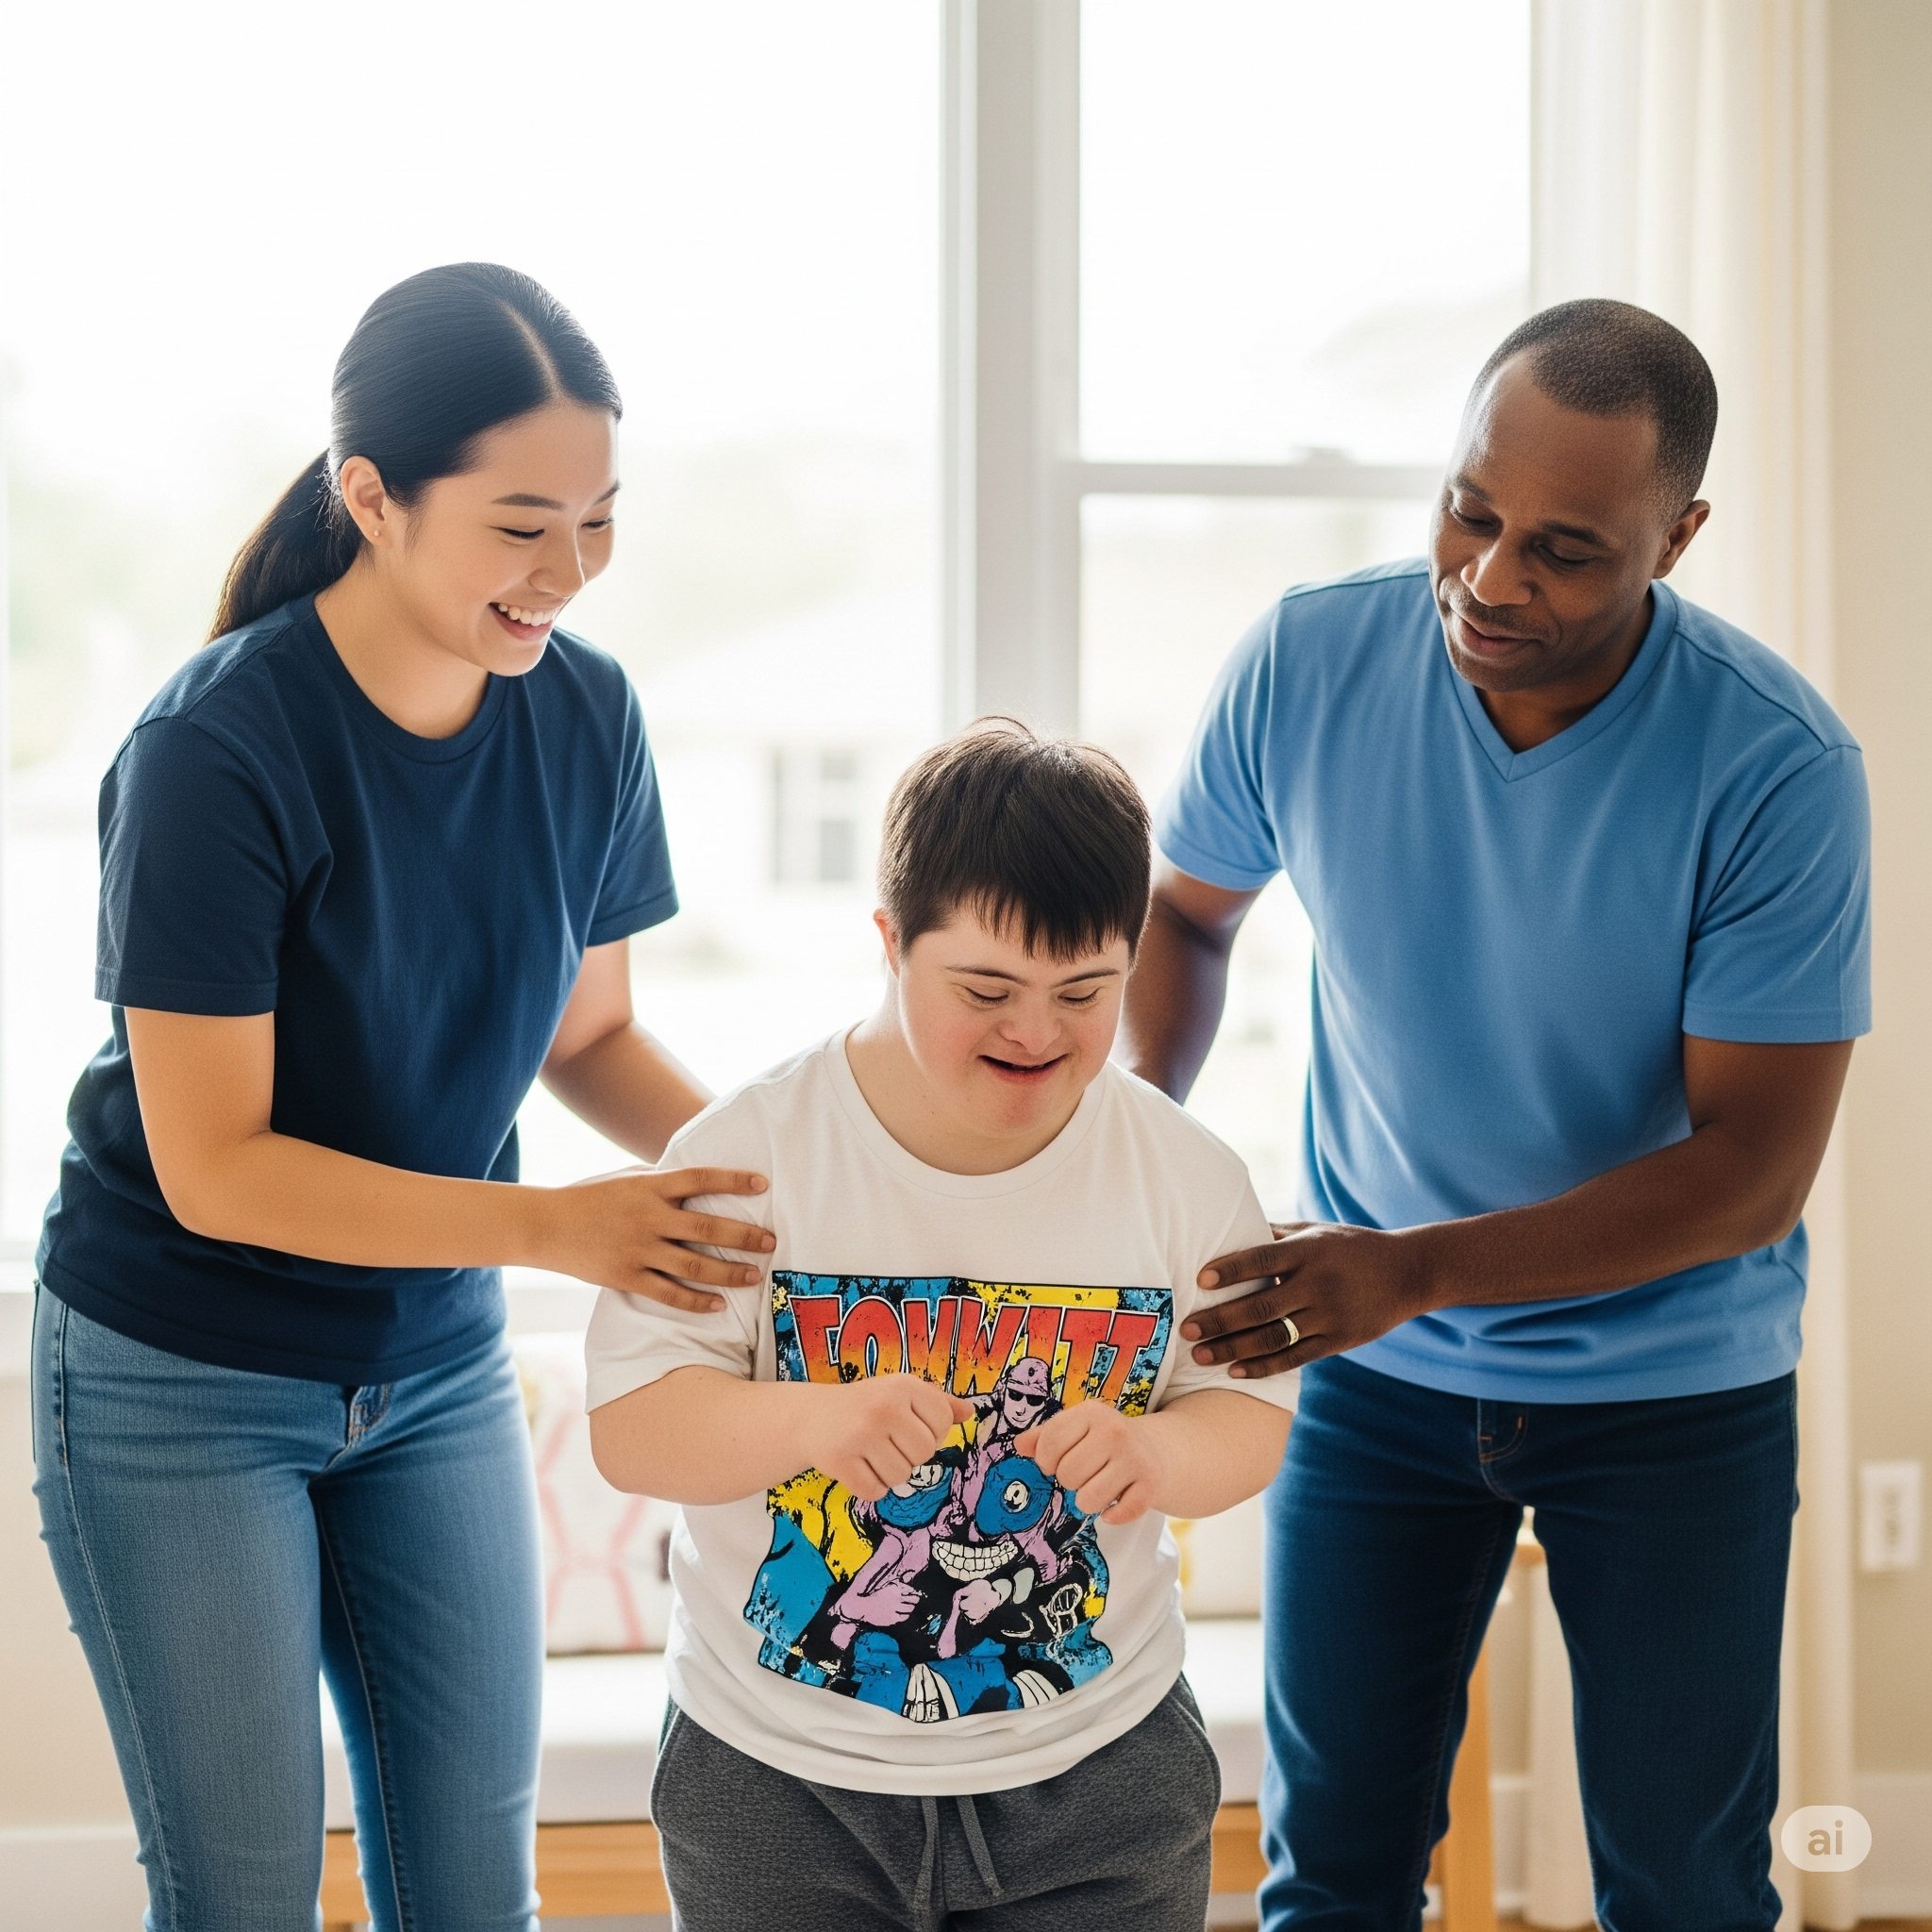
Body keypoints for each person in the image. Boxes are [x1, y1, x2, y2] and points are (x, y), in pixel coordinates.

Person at [30, 263, 773, 1932]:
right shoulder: (215, 750)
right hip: (180, 1372)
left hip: (425, 1368)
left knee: (468, 1888)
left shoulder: (586, 715)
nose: (567, 571)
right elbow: (217, 1164)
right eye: (521, 524)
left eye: (597, 519)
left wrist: (779, 1179)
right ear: (370, 495)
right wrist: (559, 1232)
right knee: (238, 1892)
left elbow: (591, 1039)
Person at [1120, 298, 1871, 1931]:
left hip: (1673, 1390)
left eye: (1562, 549)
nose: (1488, 576)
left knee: (1680, 1882)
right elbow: (1182, 916)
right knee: (1330, 1874)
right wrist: (1117, 1149)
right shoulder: (1309, 657)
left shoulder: (1775, 765)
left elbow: (1748, 1170)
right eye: (1468, 510)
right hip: (1374, 1386)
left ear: (1675, 537)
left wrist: (1416, 1266)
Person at [586, 721, 1296, 1932]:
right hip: (773, 1776)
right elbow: (633, 1429)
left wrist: (1158, 1455)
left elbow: (1245, 1415)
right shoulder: (747, 1158)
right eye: (985, 989)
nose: (1036, 1030)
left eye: (1084, 991)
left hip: (1098, 1769)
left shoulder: (1184, 1176)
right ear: (887, 943)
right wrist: (811, 1416)